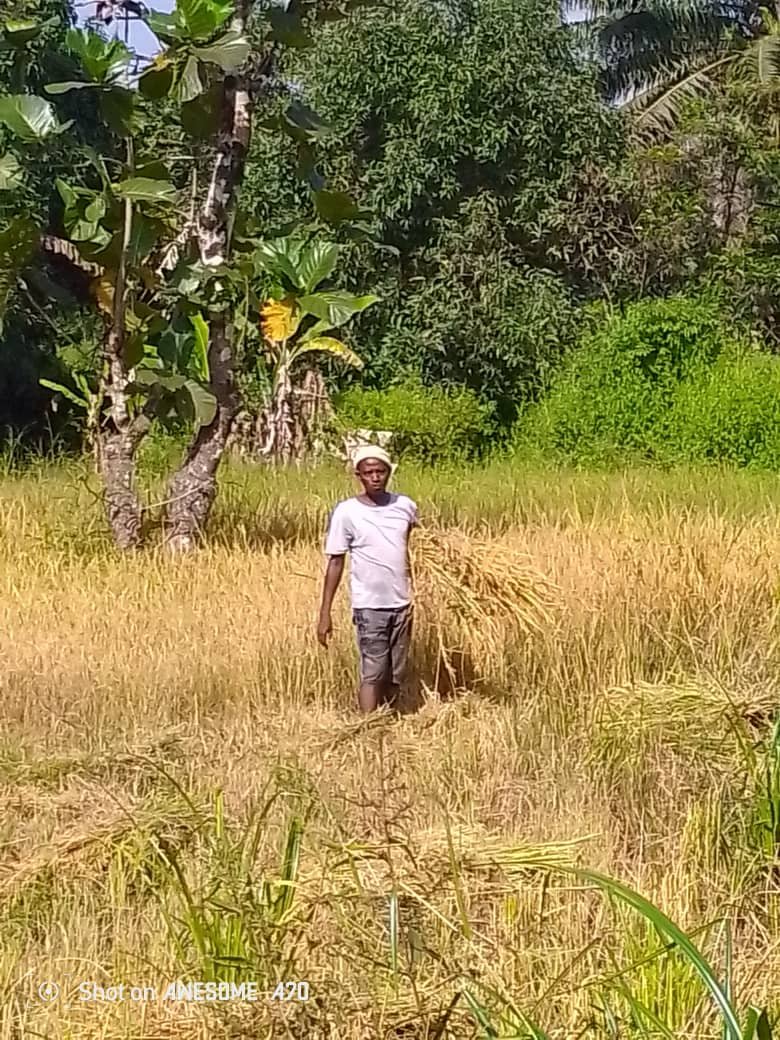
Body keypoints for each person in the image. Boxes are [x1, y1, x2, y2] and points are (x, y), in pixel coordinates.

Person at [317, 445, 418, 713]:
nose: (375, 477)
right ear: (358, 476)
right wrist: (325, 613)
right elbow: (336, 561)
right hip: (369, 605)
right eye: (369, 472)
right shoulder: (347, 512)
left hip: (403, 603)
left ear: (389, 472)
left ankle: (391, 719)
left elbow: (417, 549)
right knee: (374, 671)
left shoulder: (405, 507)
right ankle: (368, 724)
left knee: (396, 673)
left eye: (380, 471)